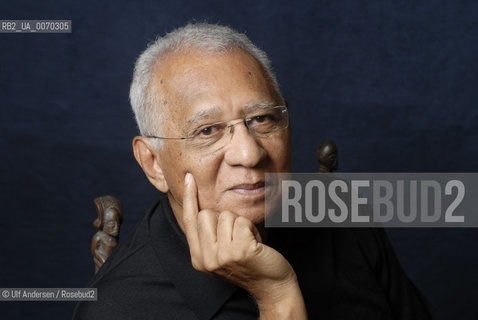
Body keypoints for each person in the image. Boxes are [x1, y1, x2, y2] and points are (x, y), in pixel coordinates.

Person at [73, 23, 435, 319]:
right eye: (208, 130)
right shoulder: (119, 308)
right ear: (153, 163)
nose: (249, 153)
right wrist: (277, 298)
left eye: (262, 119)